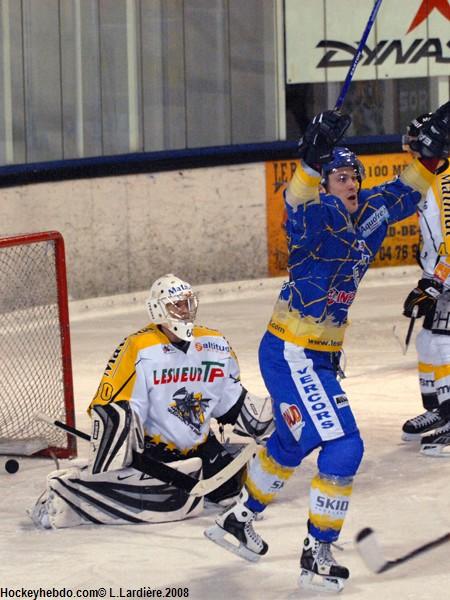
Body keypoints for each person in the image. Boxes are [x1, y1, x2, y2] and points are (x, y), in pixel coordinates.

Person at [204, 103, 450, 592]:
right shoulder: (314, 216)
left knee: (293, 443)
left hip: (313, 356)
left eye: (352, 175)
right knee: (345, 445)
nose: (349, 182)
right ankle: (317, 553)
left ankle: (236, 520)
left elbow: (407, 190)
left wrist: (433, 152)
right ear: (325, 183)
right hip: (292, 351)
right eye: (338, 176)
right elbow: (292, 209)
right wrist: (309, 163)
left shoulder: (373, 211)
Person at [31, 273, 273, 529]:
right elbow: (116, 404)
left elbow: (229, 399)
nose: (184, 311)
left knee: (231, 491)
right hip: (155, 452)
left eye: (187, 303)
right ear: (157, 309)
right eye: (176, 305)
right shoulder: (139, 347)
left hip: (202, 446)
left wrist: (268, 421)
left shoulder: (214, 344)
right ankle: (65, 493)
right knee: (169, 502)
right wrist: (120, 446)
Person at [401, 113, 450, 456]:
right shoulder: (428, 177)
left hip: (446, 277)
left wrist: (436, 281)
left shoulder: (445, 179)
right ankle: (440, 410)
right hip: (441, 277)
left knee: (443, 346)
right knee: (428, 341)